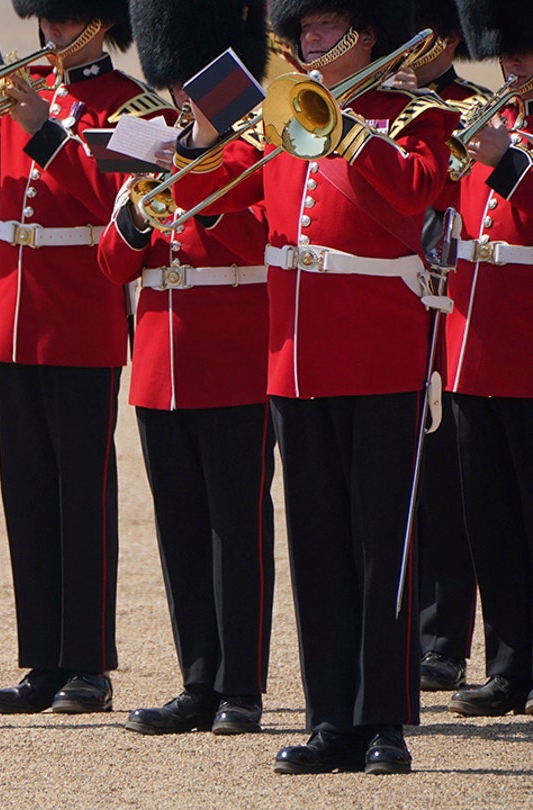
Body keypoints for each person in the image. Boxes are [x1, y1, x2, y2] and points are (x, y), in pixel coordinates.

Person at [172, 0, 459, 774]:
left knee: (379, 548)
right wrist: (201, 137)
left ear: (365, 35)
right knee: (319, 547)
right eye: (303, 32)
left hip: (379, 355)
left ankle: (386, 722)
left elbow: (416, 196)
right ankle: (331, 717)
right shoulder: (280, 117)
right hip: (296, 362)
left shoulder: (411, 116)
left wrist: (350, 133)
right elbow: (221, 190)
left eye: (326, 30)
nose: (309, 44)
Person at [0, 0, 175, 715]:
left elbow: (120, 198)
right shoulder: (24, 86)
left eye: (61, 18)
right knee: (26, 491)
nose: (48, 31)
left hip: (79, 312)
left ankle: (89, 663)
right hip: (10, 313)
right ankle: (43, 660)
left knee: (81, 492)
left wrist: (43, 133)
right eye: (44, 18)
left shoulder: (132, 104)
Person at [103, 0, 275, 737]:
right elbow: (112, 261)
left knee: (237, 529)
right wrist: (134, 220)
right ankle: (197, 681)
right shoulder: (146, 136)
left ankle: (243, 687)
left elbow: (254, 241)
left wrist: (199, 155)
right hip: (159, 362)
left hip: (232, 357)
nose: (180, 93)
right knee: (180, 529)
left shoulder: (257, 145)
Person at [384, 0, 487, 695]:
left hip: (442, 300)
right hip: (378, 301)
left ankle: (442, 638)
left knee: (446, 473)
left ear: (445, 39)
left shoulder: (468, 107)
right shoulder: (378, 105)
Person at [442, 0, 533, 719]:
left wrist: (509, 167)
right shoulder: (485, 117)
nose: (517, 66)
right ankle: (510, 667)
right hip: (474, 350)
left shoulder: (505, 139)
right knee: (493, 519)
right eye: (509, 54)